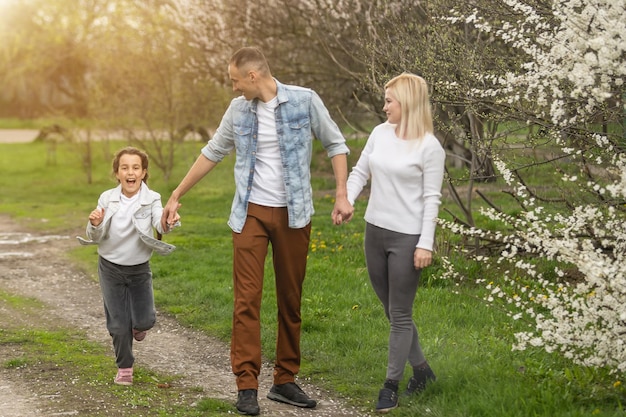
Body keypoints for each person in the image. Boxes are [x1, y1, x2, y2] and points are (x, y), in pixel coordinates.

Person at [161, 46, 352, 416]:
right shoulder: (238, 110)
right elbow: (213, 151)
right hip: (249, 214)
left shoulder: (304, 101)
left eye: (235, 81)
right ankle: (246, 385)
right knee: (246, 300)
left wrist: (341, 193)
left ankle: (284, 380)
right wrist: (176, 193)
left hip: (294, 215)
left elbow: (336, 144)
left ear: (252, 76)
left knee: (290, 299)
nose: (233, 88)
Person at [343, 73, 445, 413]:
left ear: (408, 104)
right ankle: (424, 371)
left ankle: (390, 386)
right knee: (390, 309)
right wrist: (347, 200)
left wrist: (425, 244)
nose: (384, 106)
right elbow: (360, 172)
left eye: (390, 101)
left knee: (400, 314)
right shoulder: (379, 133)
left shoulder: (430, 147)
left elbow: (432, 199)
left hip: (407, 239)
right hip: (374, 231)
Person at [77, 147, 180, 386]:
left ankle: (138, 327)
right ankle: (125, 367)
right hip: (110, 267)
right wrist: (94, 223)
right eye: (124, 168)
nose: (130, 172)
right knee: (117, 323)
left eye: (135, 167)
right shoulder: (107, 198)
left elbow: (159, 223)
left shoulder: (152, 198)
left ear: (143, 172)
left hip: (139, 268)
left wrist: (169, 221)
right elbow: (96, 233)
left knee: (146, 320)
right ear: (117, 173)